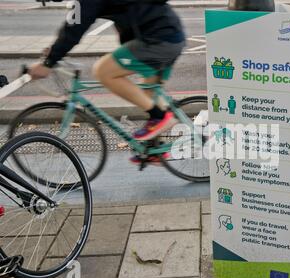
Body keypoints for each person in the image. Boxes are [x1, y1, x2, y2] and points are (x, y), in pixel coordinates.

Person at [28, 0, 186, 164]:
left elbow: (74, 28)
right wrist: (55, 51)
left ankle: (159, 117)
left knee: (103, 71)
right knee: (148, 94)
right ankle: (154, 149)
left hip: (158, 41)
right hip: (169, 35)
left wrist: (49, 63)